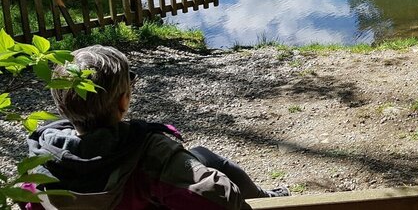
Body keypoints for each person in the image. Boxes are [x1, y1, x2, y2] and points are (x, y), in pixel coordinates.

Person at [23, 45, 288, 209]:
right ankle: (268, 199)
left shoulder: (38, 165)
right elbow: (220, 198)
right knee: (205, 158)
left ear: (61, 107)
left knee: (203, 153)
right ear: (124, 100)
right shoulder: (152, 155)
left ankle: (266, 195)